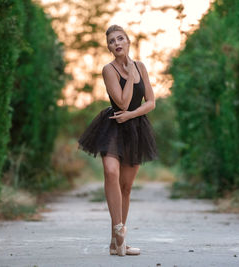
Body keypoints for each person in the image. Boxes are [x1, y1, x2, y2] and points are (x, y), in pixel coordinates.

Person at [77, 24, 158, 256]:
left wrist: (132, 115)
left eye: (120, 38)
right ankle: (119, 229)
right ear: (109, 47)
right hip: (112, 125)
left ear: (128, 41)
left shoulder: (141, 66)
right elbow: (122, 103)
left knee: (126, 186)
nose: (117, 43)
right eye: (112, 41)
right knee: (111, 172)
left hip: (135, 128)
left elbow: (151, 102)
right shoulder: (108, 70)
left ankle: (116, 243)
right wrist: (131, 78)